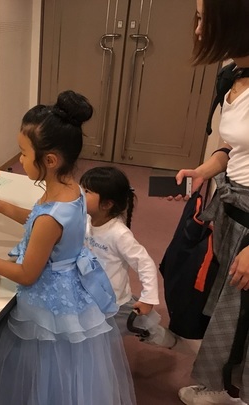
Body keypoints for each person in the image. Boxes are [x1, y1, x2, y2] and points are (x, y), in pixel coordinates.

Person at [0, 90, 136, 404]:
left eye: (24, 154)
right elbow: (41, 221)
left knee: (37, 367)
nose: (20, 160)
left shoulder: (52, 214)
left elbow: (26, 273)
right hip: (72, 282)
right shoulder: (71, 189)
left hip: (47, 301)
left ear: (49, 160)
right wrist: (3, 207)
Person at [175, 0, 249, 403]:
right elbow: (233, 146)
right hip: (233, 209)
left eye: (205, 19)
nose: (199, 29)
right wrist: (206, 169)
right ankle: (223, 388)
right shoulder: (232, 75)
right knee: (229, 307)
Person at [80, 166, 177, 349]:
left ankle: (168, 340)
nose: (79, 194)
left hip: (113, 301)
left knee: (142, 327)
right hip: (89, 293)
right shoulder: (86, 220)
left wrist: (148, 298)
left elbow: (145, 263)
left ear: (106, 204)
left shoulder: (119, 234)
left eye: (86, 191)